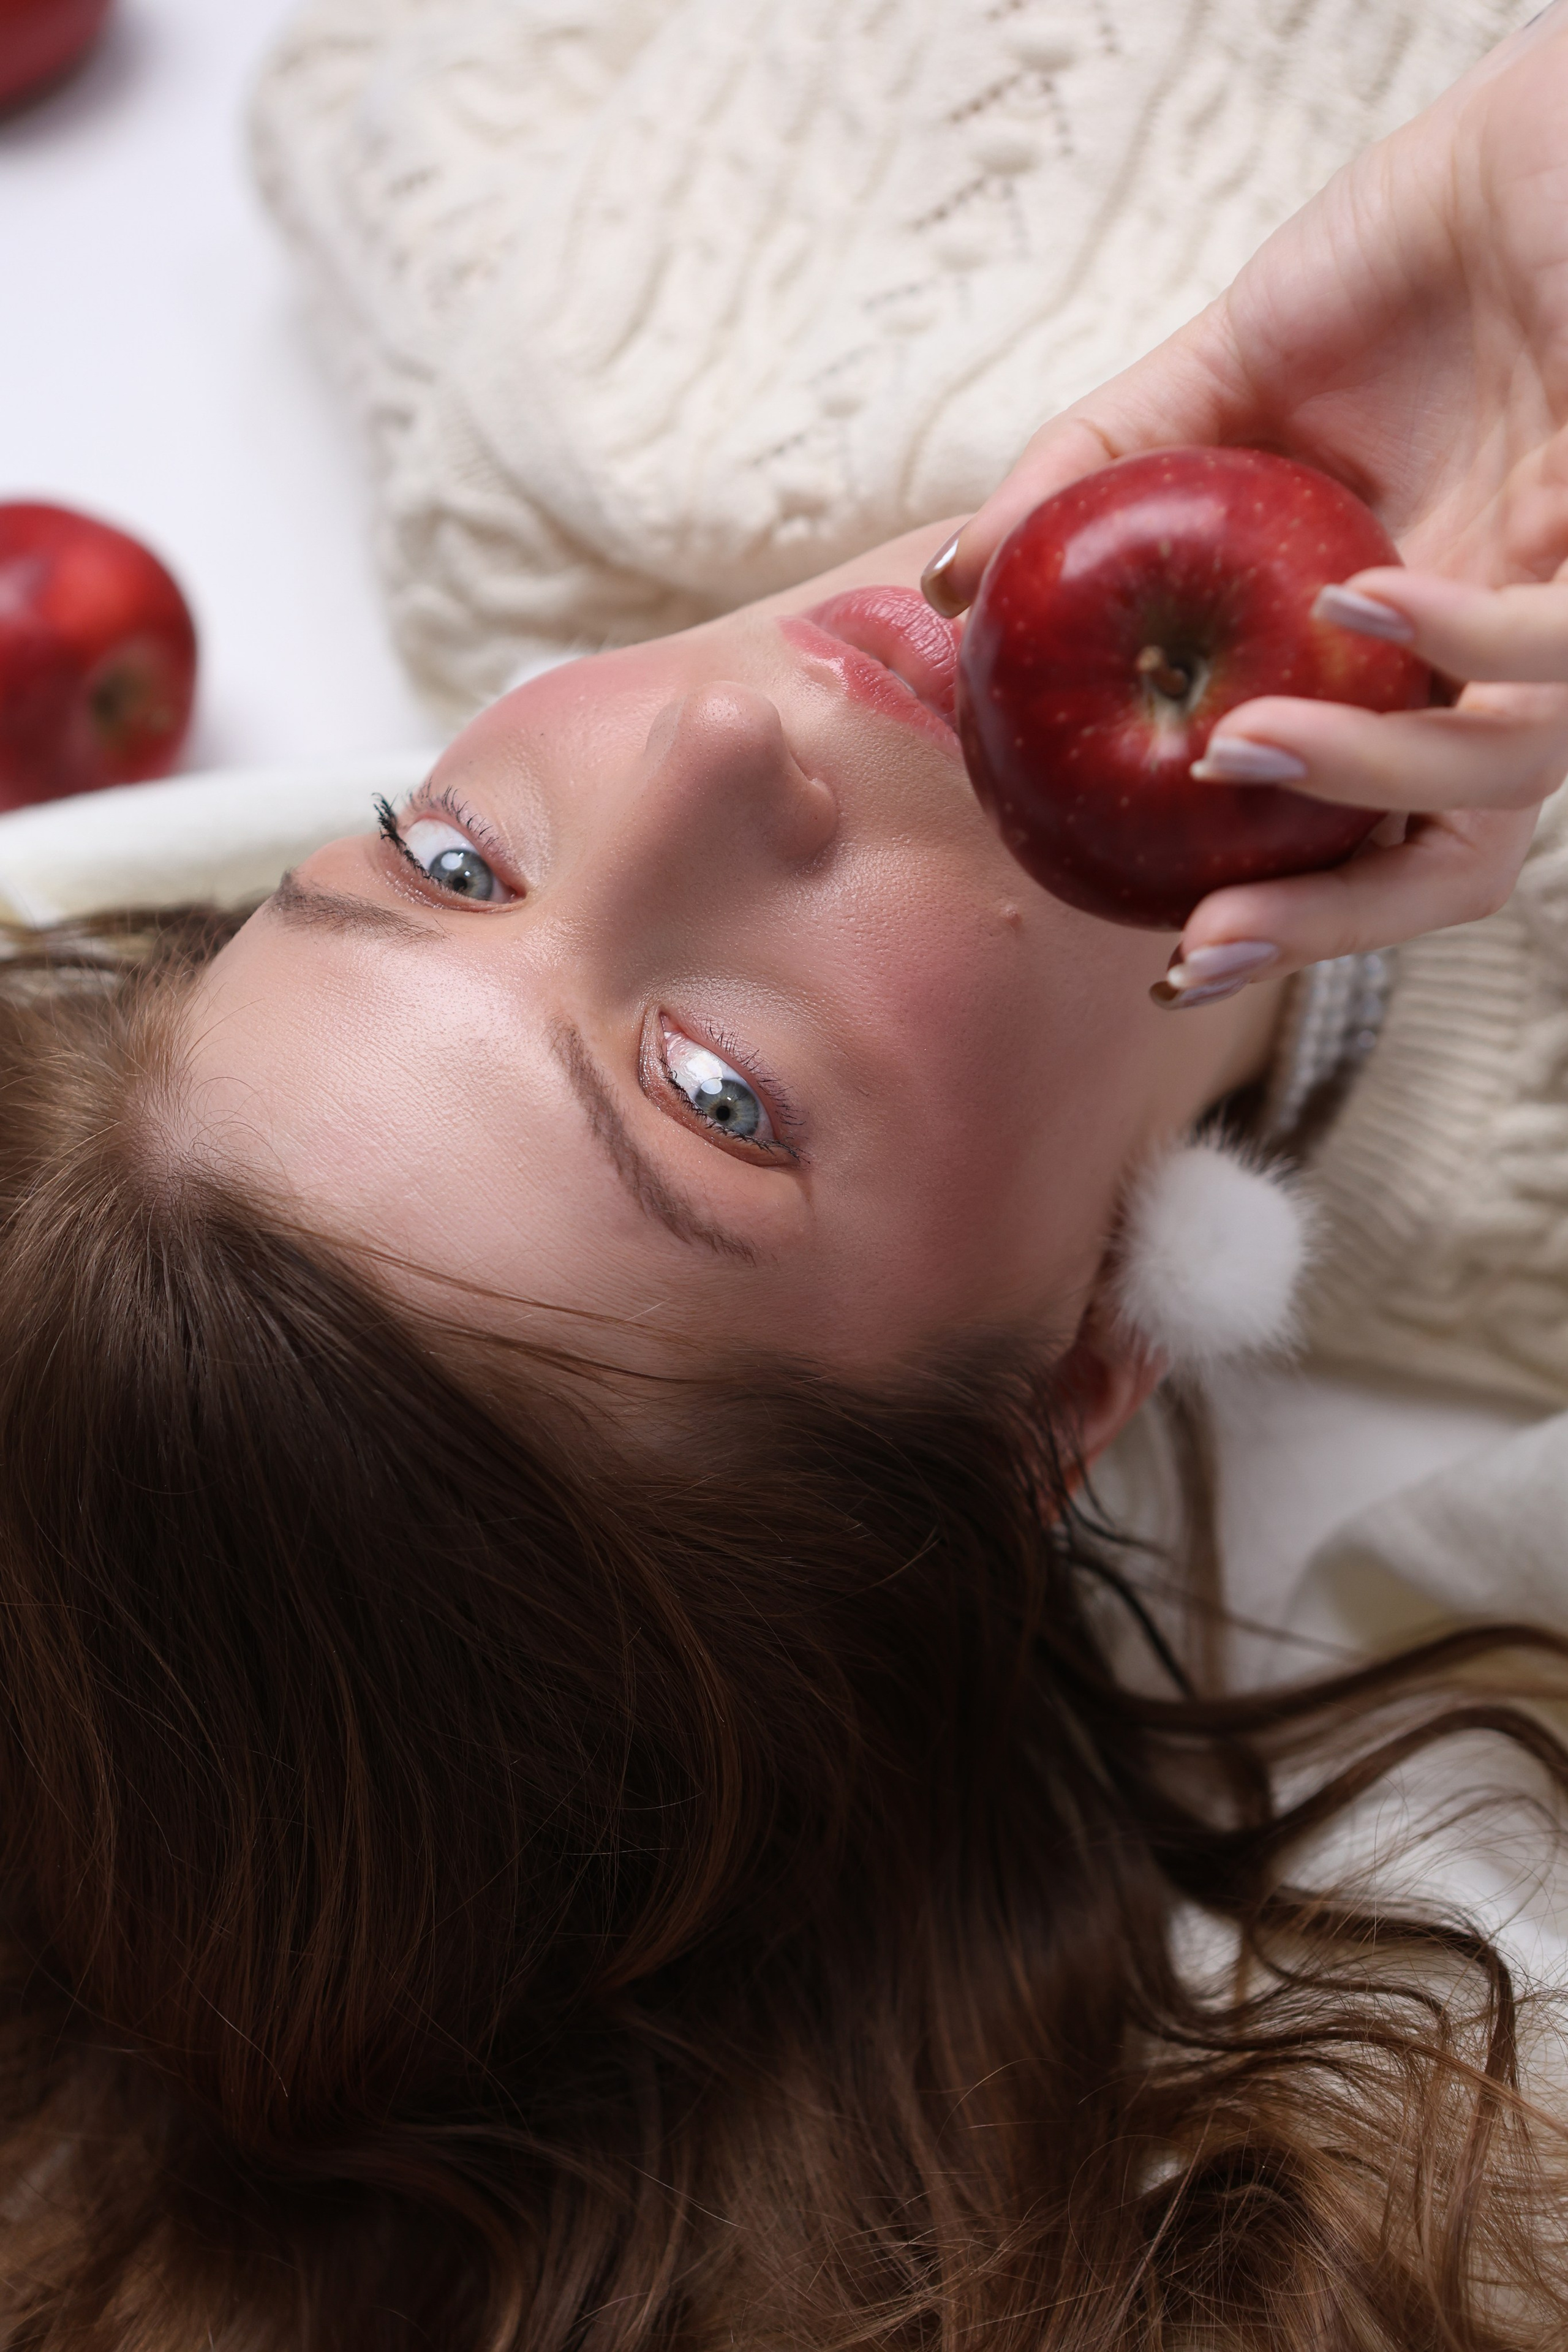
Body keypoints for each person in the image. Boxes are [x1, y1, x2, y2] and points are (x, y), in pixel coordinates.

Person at [6, 11, 1568, 2350]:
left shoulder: (596, 368)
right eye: (716, 1094)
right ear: (1077, 1385)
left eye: (446, 858)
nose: (711, 735)